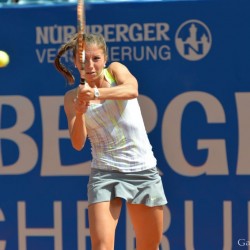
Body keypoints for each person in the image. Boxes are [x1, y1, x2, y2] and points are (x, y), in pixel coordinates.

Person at [54, 33, 167, 250]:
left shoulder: (116, 70)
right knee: (102, 246)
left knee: (149, 245)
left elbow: (131, 90)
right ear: (76, 63)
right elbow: (78, 143)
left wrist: (95, 93)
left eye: (95, 59)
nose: (90, 65)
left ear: (105, 59)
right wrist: (79, 112)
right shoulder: (71, 98)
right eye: (84, 60)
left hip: (142, 171)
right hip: (105, 173)